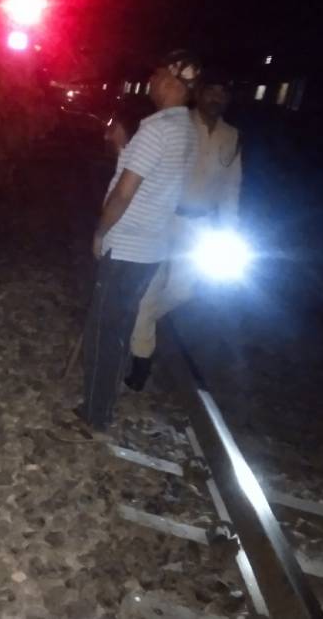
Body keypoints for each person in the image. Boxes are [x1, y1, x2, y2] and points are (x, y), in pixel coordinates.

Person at [73, 50, 201, 436]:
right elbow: (148, 176)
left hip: (127, 245)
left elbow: (124, 193)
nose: (152, 80)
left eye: (158, 73)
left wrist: (100, 232)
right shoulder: (185, 130)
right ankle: (106, 401)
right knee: (120, 326)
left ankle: (95, 415)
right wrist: (121, 147)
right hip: (151, 247)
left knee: (103, 333)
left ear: (173, 81)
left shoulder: (158, 129)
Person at [124, 71, 243, 391]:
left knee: (184, 290)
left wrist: (229, 233)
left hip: (200, 227)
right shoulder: (179, 124)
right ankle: (141, 359)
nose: (216, 97)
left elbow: (231, 189)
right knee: (151, 290)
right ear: (198, 92)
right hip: (165, 217)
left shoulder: (232, 136)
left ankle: (139, 324)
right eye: (210, 90)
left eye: (223, 91)